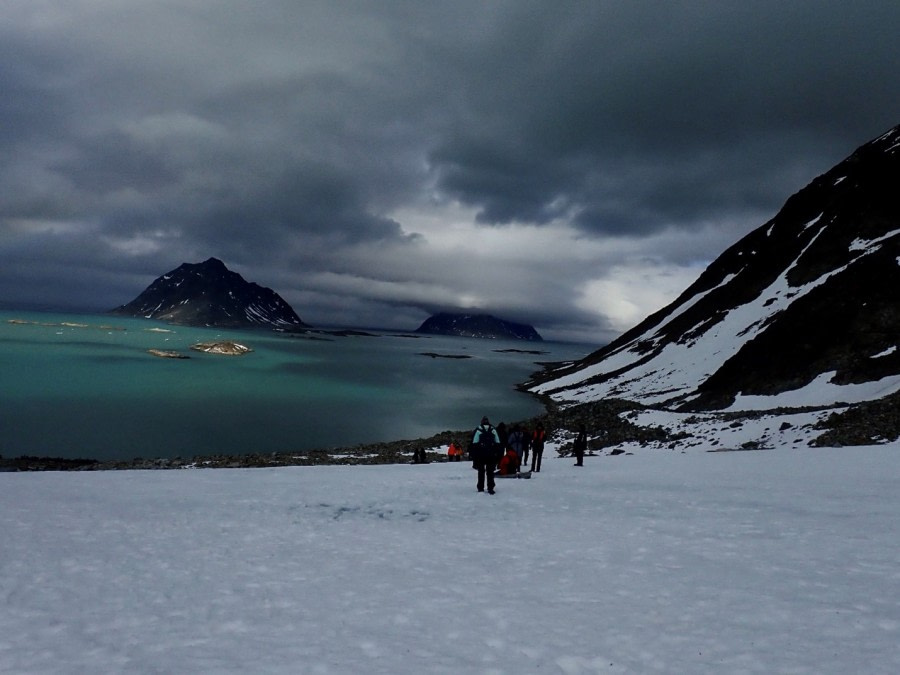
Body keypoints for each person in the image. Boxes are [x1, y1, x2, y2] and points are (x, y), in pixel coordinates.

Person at [472, 416, 500, 494]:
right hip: (491, 454)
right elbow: (498, 442)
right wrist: (496, 453)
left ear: (482, 422)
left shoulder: (478, 429)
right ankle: (490, 487)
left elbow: (474, 443)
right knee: (490, 471)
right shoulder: (493, 429)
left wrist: (475, 455)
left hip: (481, 454)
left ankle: (481, 487)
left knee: (481, 471)